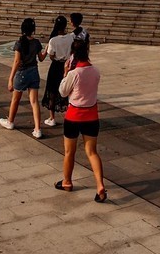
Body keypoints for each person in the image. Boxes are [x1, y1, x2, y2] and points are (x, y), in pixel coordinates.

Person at [54, 38, 106, 201]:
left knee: (69, 152)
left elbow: (63, 91)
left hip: (74, 116)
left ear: (73, 54)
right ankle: (100, 185)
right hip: (91, 115)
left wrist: (65, 72)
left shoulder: (74, 73)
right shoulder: (95, 71)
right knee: (92, 152)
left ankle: (67, 181)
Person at [1, 18, 46, 138]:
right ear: (33, 29)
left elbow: (17, 61)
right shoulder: (36, 42)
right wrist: (46, 50)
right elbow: (41, 58)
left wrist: (10, 78)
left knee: (15, 99)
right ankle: (37, 129)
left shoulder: (19, 43)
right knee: (34, 101)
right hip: (34, 72)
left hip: (22, 73)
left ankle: (10, 121)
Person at [41, 15, 74, 127]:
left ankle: (52, 117)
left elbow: (51, 55)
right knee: (67, 89)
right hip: (67, 65)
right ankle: (69, 114)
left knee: (52, 91)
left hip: (56, 66)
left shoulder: (53, 40)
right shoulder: (70, 38)